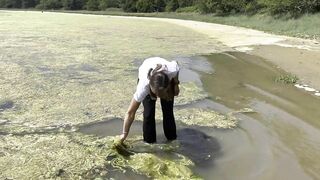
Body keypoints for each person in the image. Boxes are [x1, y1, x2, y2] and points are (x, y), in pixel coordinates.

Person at [120, 57, 180, 144]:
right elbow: (130, 113)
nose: (159, 97)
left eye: (163, 94)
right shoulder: (143, 88)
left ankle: (172, 140)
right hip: (146, 71)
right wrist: (124, 134)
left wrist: (175, 84)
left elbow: (176, 64)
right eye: (157, 95)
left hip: (165, 78)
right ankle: (150, 143)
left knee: (168, 111)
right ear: (151, 90)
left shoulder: (172, 70)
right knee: (148, 114)